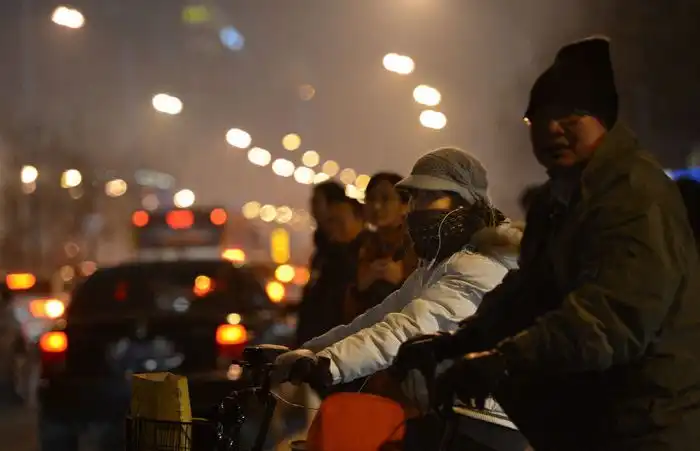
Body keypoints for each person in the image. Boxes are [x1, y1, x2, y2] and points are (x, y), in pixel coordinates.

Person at [397, 37, 700, 450]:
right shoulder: (556, 200)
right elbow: (528, 293)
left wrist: (505, 359)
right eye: (539, 117)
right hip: (595, 422)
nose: (553, 128)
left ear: (602, 119)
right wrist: (458, 342)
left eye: (571, 115)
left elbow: (613, 316)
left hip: (649, 424)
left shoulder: (633, 193)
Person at [273, 147, 526, 449]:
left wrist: (331, 364)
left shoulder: (479, 264)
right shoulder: (438, 265)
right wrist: (309, 352)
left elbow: (407, 328)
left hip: (490, 423)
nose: (416, 208)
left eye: (430, 197)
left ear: (463, 203)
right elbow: (378, 317)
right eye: (414, 197)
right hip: (454, 412)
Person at [344, 172, 417, 322]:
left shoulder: (416, 246)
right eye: (371, 199)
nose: (376, 206)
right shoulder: (359, 246)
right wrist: (361, 285)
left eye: (385, 199)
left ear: (404, 206)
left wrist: (400, 281)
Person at [295, 182, 362, 346]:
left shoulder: (363, 256)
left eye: (339, 221)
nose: (334, 228)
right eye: (332, 222)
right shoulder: (323, 253)